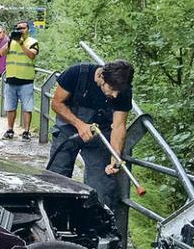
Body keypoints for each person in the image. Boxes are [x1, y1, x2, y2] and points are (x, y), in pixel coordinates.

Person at [47, 60, 134, 209]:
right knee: (57, 176)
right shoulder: (75, 73)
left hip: (99, 134)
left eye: (118, 91)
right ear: (101, 76)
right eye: (111, 88)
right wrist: (79, 124)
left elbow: (119, 126)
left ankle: (95, 222)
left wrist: (115, 155)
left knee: (102, 184)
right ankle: (53, 215)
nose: (114, 94)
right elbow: (56, 103)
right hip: (68, 129)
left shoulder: (122, 90)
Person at [0, 20, 39, 140]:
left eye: (23, 28)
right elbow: (1, 53)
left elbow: (32, 55)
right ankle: (10, 129)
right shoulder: (10, 42)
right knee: (10, 107)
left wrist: (22, 44)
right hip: (11, 79)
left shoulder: (32, 42)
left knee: (27, 107)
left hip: (26, 80)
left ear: (28, 29)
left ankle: (26, 131)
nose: (20, 31)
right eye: (18, 28)